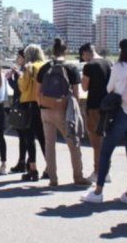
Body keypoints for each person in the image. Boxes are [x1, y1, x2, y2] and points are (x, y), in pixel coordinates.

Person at [81, 39, 127, 206]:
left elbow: (109, 88)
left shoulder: (120, 67)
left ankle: (98, 192)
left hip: (122, 113)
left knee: (106, 151)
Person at [36, 38, 90, 187]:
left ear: (53, 51)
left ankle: (53, 179)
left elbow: (37, 92)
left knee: (49, 145)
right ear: (65, 51)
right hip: (63, 111)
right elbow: (76, 94)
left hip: (45, 110)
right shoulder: (71, 68)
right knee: (74, 143)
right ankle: (78, 177)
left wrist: (43, 105)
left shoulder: (44, 67)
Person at [79, 43, 112, 182]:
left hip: (94, 107)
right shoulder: (108, 63)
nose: (83, 59)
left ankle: (98, 172)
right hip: (108, 107)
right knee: (106, 141)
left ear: (86, 53)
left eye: (83, 56)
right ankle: (106, 171)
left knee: (96, 142)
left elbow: (84, 87)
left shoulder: (89, 66)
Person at [18, 44, 47, 181]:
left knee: (29, 139)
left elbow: (23, 87)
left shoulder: (30, 67)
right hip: (43, 104)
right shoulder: (45, 66)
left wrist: (20, 76)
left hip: (29, 104)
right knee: (43, 138)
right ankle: (50, 167)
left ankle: (33, 169)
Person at [6, 49, 27, 173]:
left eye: (19, 57)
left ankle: (22, 163)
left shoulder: (23, 71)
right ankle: (26, 162)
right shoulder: (26, 70)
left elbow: (18, 88)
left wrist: (10, 78)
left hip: (21, 106)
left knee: (23, 137)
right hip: (26, 105)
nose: (17, 59)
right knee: (26, 138)